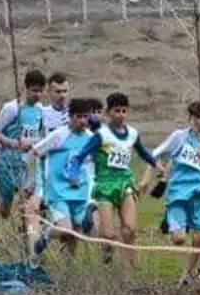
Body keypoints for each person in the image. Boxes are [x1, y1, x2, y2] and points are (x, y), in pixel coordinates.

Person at [67, 92, 158, 273]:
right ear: (108, 112)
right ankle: (106, 248)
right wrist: (74, 174)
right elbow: (79, 157)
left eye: (124, 111)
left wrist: (156, 165)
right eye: (117, 111)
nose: (121, 115)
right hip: (105, 186)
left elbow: (143, 152)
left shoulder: (132, 133)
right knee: (109, 234)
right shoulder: (101, 135)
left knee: (130, 229)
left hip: (125, 184)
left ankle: (128, 269)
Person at [146, 102, 200, 285]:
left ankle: (187, 275)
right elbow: (155, 153)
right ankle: (170, 219)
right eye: (198, 117)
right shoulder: (179, 137)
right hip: (179, 194)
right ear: (191, 119)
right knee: (179, 238)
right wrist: (156, 173)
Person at [27, 98, 95, 260]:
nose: (82, 121)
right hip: (58, 192)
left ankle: (65, 273)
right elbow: (34, 153)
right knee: (66, 229)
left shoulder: (91, 138)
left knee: (76, 233)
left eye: (85, 117)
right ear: (70, 116)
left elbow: (93, 166)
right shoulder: (59, 135)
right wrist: (32, 181)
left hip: (80, 193)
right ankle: (47, 234)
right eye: (78, 117)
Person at [0, 69, 46, 245]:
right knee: (6, 210)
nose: (37, 95)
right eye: (34, 90)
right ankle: (0, 200)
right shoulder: (12, 108)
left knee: (28, 207)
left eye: (40, 91)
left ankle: (28, 243)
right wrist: (14, 143)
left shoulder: (40, 110)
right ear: (25, 88)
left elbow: (40, 134)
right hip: (8, 163)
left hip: (28, 165)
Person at [25, 72, 71, 251]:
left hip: (68, 175)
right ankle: (32, 255)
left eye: (65, 91)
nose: (62, 95)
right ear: (49, 92)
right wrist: (30, 179)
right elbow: (32, 147)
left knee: (70, 225)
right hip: (44, 171)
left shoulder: (75, 114)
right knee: (31, 211)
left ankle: (65, 269)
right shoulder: (41, 114)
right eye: (58, 91)